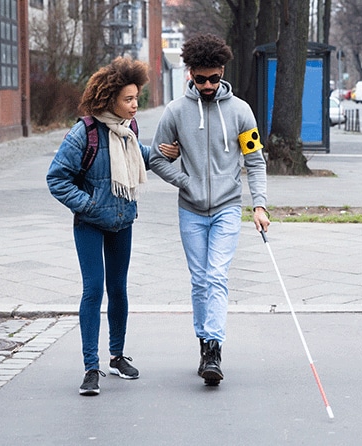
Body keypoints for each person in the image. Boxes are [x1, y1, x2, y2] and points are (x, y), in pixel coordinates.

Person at [47, 57, 178, 396]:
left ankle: (117, 356)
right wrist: (89, 205)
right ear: (109, 100)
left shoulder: (129, 130)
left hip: (122, 221)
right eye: (128, 99)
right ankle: (91, 367)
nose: (136, 105)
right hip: (90, 223)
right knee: (94, 290)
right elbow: (56, 179)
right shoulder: (84, 133)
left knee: (118, 289)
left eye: (137, 98)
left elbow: (131, 155)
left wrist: (159, 152)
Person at [149, 34, 270, 386]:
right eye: (199, 79)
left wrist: (259, 204)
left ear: (222, 72)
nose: (206, 85)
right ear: (190, 74)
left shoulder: (240, 111)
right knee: (200, 280)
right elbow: (156, 157)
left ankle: (214, 348)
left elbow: (255, 161)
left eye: (213, 78)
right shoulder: (175, 112)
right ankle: (204, 342)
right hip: (190, 209)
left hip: (227, 208)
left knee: (216, 275)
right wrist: (183, 180)